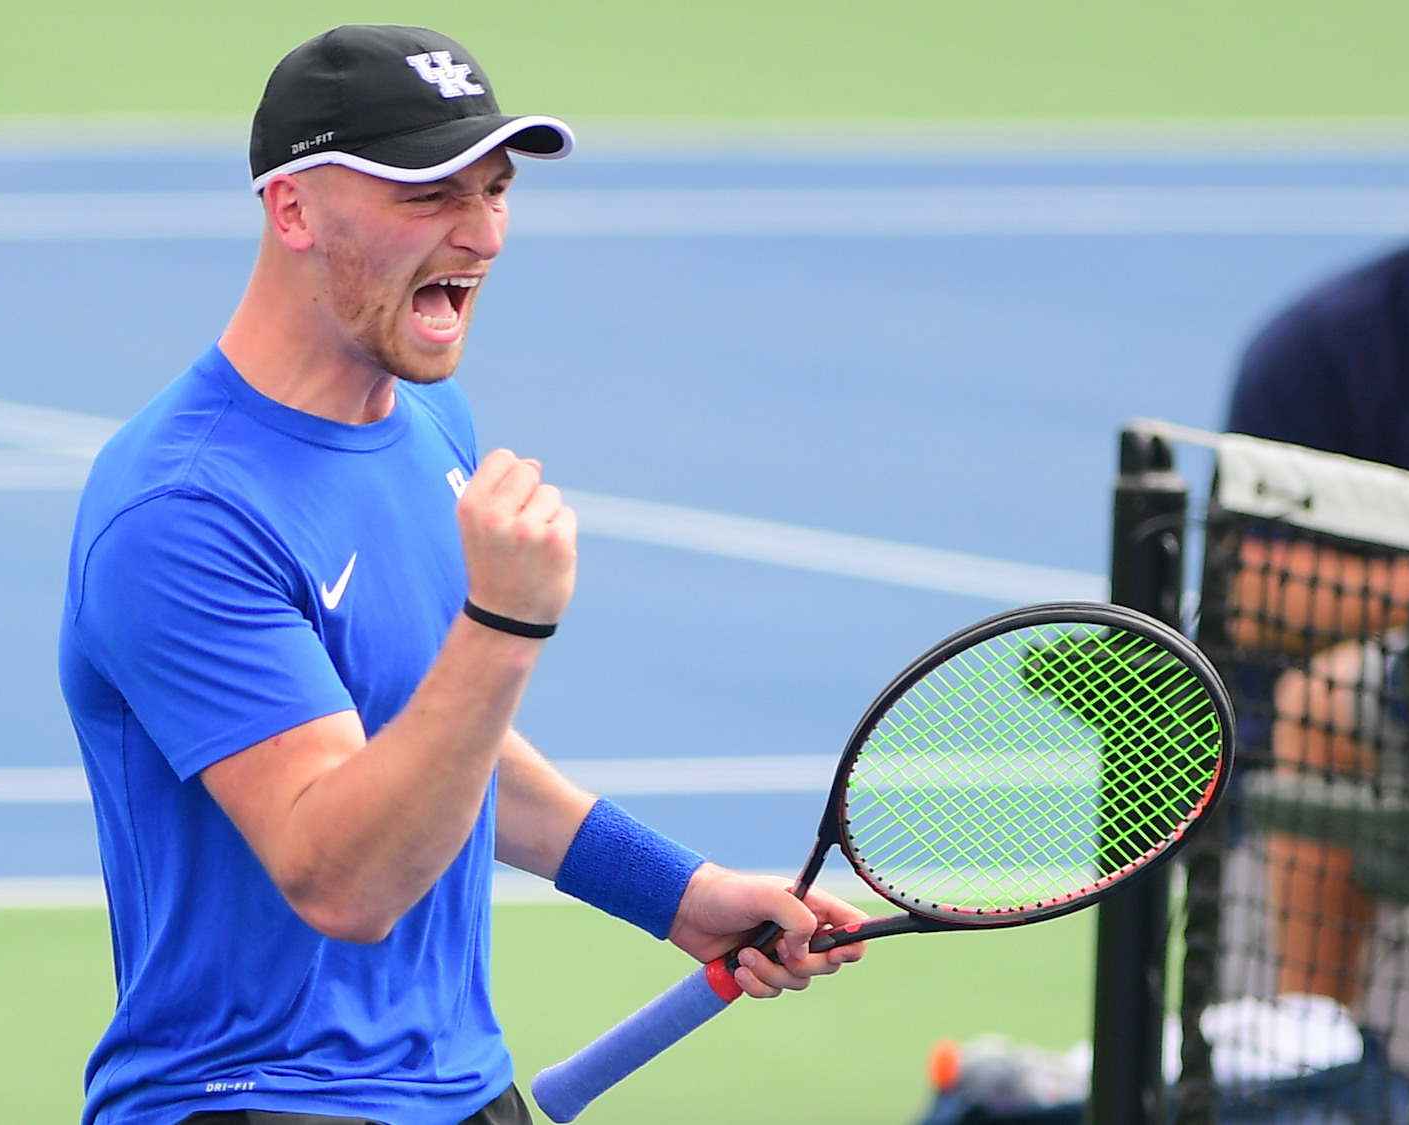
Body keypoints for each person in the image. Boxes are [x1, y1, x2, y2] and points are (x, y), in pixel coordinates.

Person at [56, 25, 868, 1125]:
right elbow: (342, 881)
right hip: (256, 1101)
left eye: (492, 190)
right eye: (426, 193)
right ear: (291, 209)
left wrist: (669, 889)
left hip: (461, 1088)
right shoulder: (182, 513)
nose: (479, 232)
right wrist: (501, 624)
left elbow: (429, 736)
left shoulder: (429, 418)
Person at [1226, 36, 1409, 1007]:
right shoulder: (1329, 343)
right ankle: (1319, 1051)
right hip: (1364, 771)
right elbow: (1246, 590)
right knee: (1302, 715)